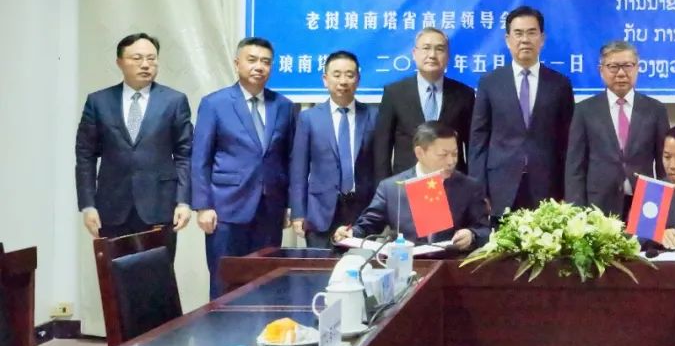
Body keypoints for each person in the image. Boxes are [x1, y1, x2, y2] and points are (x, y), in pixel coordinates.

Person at [75, 33, 192, 261]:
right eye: (137, 58)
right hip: (112, 207)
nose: (146, 64)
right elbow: (85, 156)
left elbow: (185, 154)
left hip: (159, 206)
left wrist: (183, 201)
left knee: (157, 276)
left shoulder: (174, 101)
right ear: (120, 62)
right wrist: (88, 205)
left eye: (151, 58)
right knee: (115, 275)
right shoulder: (98, 102)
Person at [192, 37, 295, 298]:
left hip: (270, 209)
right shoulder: (214, 103)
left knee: (266, 281)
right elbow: (200, 158)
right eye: (252, 60)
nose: (259, 66)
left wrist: (288, 204)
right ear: (237, 63)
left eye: (266, 62)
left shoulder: (283, 106)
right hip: (226, 208)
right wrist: (203, 206)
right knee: (224, 281)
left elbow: (288, 158)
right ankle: (221, 326)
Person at [469, 6, 575, 219]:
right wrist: (479, 190)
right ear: (508, 40)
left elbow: (568, 142)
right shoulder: (490, 82)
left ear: (542, 39)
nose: (525, 40)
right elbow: (478, 140)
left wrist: (567, 190)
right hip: (500, 187)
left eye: (531, 32)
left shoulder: (560, 84)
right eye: (518, 33)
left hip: (547, 187)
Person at [335, 122, 490, 248]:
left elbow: (484, 230)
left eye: (455, 154)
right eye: (443, 155)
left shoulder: (469, 187)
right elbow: (367, 226)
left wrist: (472, 235)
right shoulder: (391, 188)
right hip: (406, 264)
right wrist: (350, 233)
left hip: (451, 266)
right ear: (419, 153)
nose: (451, 161)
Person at [565, 40, 668, 219]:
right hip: (598, 206)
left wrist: (666, 208)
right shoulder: (585, 110)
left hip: (646, 204)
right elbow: (575, 167)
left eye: (627, 66)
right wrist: (576, 211)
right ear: (601, 70)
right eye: (613, 67)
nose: (621, 73)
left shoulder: (655, 110)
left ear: (637, 68)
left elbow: (663, 164)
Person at [289, 51, 377, 249]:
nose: (343, 81)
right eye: (336, 75)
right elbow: (298, 170)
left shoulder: (374, 116)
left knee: (359, 265)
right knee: (319, 267)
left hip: (361, 210)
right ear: (325, 79)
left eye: (349, 75)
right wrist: (298, 213)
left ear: (358, 79)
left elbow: (379, 165)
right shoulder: (309, 118)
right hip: (319, 211)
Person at [373, 28, 474, 181]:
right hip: (406, 183)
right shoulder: (394, 93)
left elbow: (473, 145)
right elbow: (382, 147)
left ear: (448, 56)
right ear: (414, 54)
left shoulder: (464, 94)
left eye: (439, 49)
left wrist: (473, 185)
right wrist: (384, 187)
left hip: (452, 182)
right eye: (426, 48)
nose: (432, 55)